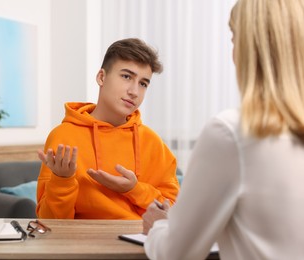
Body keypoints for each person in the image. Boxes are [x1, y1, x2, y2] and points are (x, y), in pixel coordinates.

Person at [142, 0, 304, 259]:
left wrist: (160, 226)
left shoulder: (232, 134)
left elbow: (176, 253)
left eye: (233, 38)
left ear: (248, 48)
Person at [36, 38, 180, 219]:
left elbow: (172, 214)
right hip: (83, 244)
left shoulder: (153, 143)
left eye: (143, 83)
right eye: (126, 76)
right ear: (101, 77)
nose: (134, 91)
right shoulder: (63, 137)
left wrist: (134, 189)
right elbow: (49, 225)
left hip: (140, 242)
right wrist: (62, 181)